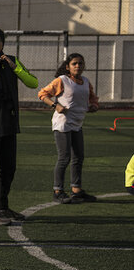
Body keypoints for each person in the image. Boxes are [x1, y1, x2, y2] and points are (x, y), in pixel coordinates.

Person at [0, 27, 38, 225]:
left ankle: (3, 206)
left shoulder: (12, 61)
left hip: (9, 123)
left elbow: (33, 83)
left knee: (9, 168)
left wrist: (16, 68)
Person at [38, 53, 99, 204]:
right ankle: (58, 190)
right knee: (64, 158)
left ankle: (76, 190)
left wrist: (94, 106)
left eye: (80, 63)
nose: (78, 66)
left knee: (79, 157)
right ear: (68, 67)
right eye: (74, 63)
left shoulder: (85, 82)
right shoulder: (62, 81)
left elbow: (93, 98)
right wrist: (55, 105)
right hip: (62, 124)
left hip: (77, 124)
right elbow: (42, 94)